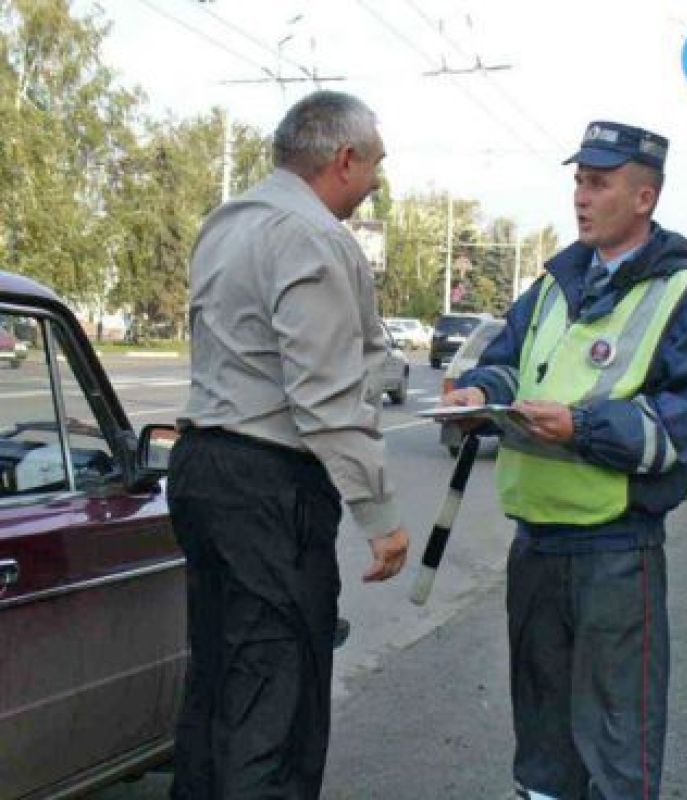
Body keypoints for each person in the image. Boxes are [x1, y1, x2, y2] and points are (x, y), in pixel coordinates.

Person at [442, 120, 687, 800]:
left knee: (616, 745)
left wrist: (579, 427)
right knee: (542, 744)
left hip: (616, 549)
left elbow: (681, 428)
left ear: (644, 198)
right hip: (536, 543)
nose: (580, 196)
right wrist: (478, 395)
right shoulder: (555, 284)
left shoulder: (686, 297)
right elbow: (508, 363)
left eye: (599, 183)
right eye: (578, 181)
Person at [167, 90, 409, 799]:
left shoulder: (227, 222)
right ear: (344, 159)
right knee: (276, 700)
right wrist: (380, 516)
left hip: (204, 470)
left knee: (216, 687)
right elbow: (325, 397)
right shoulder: (312, 238)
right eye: (376, 165)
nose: (376, 182)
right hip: (270, 486)